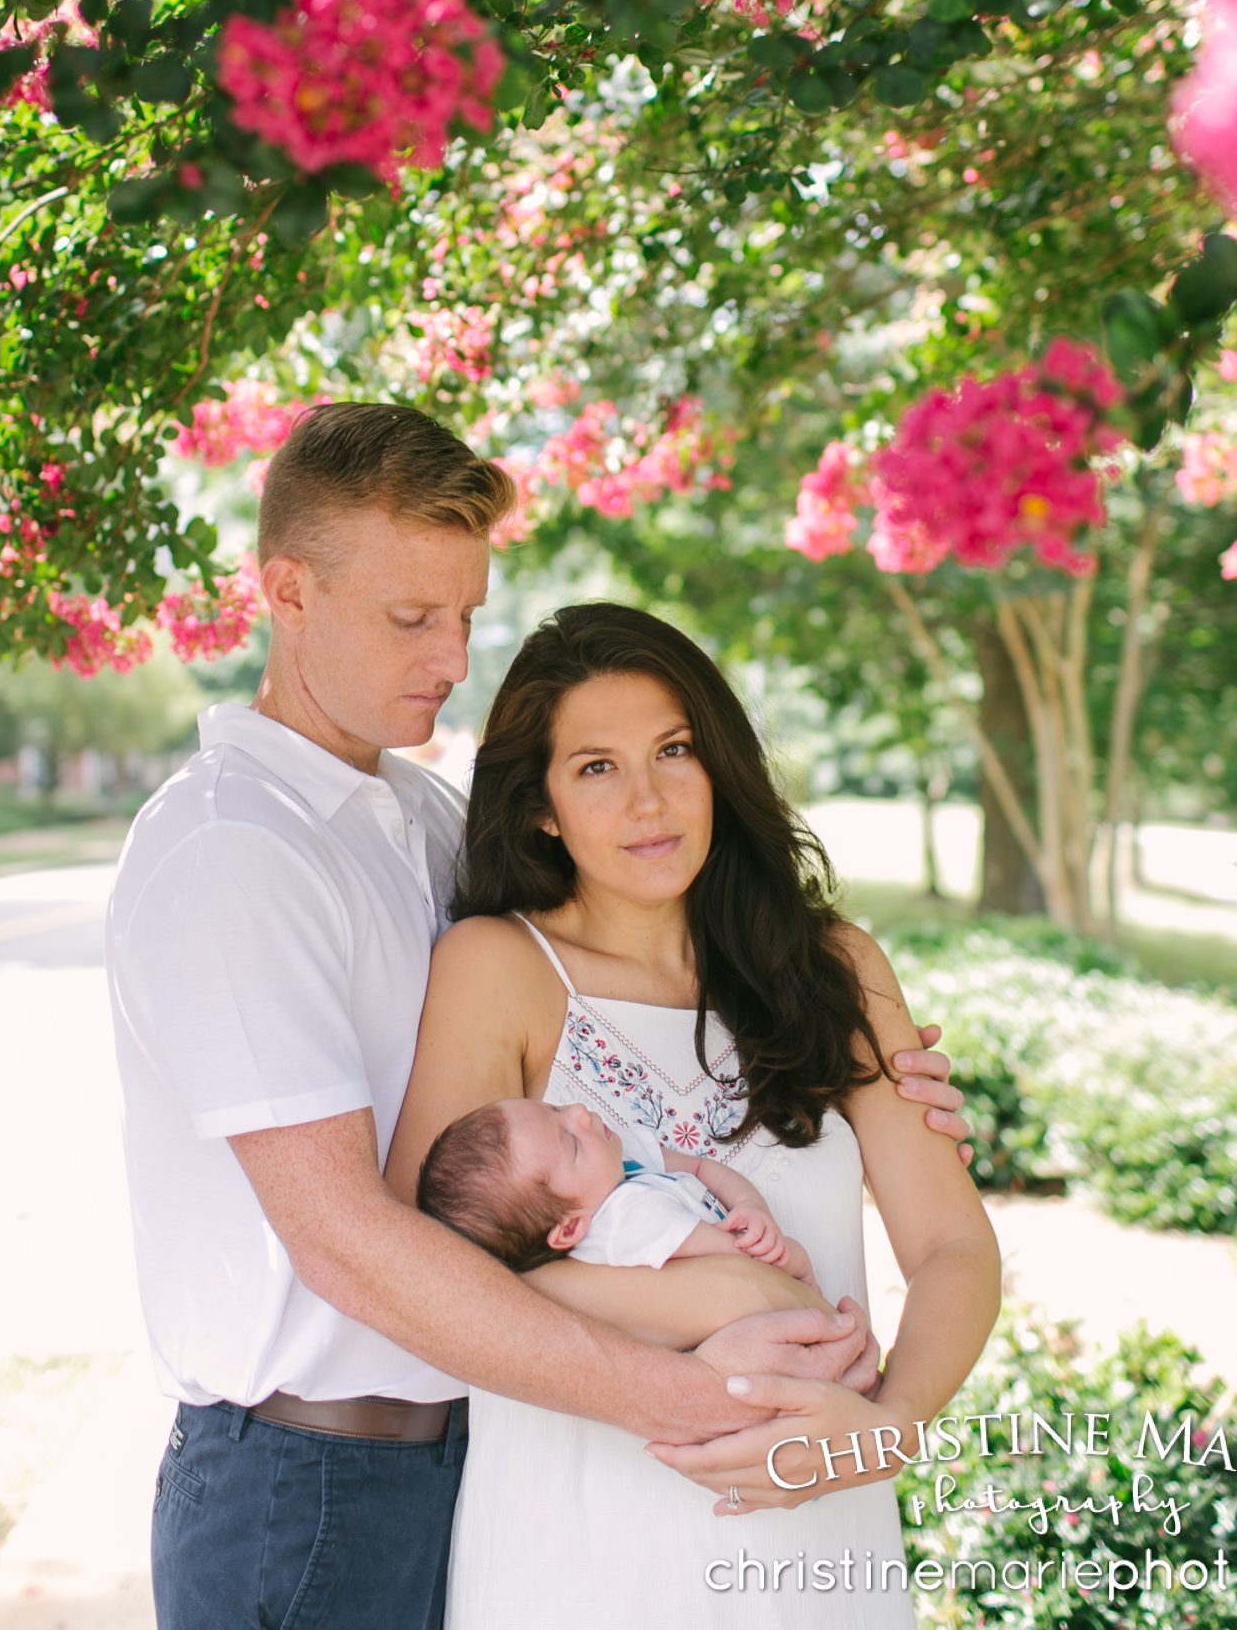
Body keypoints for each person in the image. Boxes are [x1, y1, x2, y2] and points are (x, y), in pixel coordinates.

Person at [106, 403, 968, 1630]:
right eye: (412, 618)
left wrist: (898, 1079)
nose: (453, 658)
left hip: (467, 1446)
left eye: (466, 613)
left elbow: (631, 916)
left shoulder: (416, 820)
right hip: (306, 1476)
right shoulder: (233, 853)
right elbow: (349, 1237)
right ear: (285, 592)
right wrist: (687, 1386)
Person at [386, 601, 998, 1627]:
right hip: (580, 1548)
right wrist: (716, 1311)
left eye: (675, 750)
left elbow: (952, 1246)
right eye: (596, 768)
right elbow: (422, 1268)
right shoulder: (498, 969)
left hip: (820, 1530)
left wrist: (884, 1428)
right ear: (540, 808)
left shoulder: (832, 966)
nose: (649, 800)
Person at [419, 1096, 817, 1282]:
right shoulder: (627, 1221)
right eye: (571, 1141)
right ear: (571, 1228)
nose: (579, 1113)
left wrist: (751, 1206)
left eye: (554, 1109)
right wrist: (794, 1258)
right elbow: (751, 1265)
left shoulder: (616, 1164)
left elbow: (699, 1166)